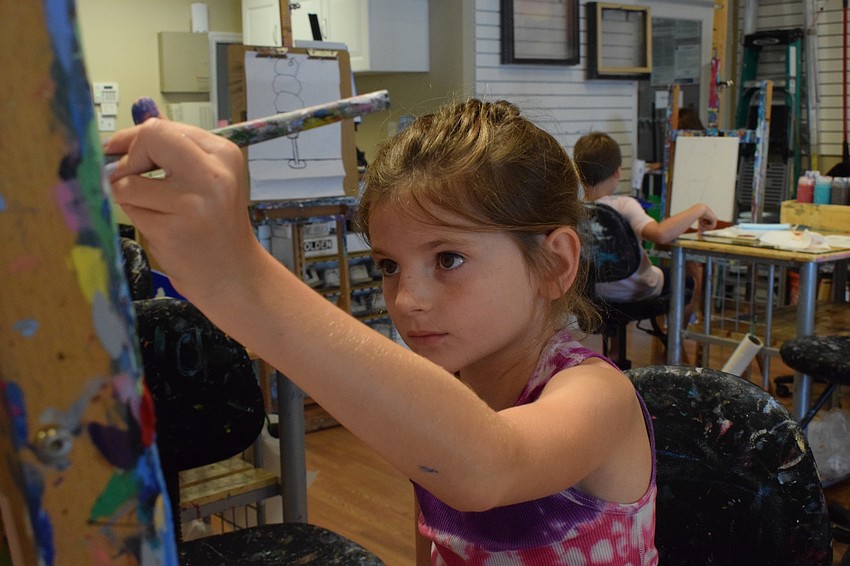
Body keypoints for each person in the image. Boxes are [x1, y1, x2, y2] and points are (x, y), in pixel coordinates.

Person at [106, 99, 658, 565]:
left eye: (448, 258)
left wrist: (243, 277)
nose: (408, 299)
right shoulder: (445, 398)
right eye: (388, 266)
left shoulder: (597, 396)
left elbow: (488, 465)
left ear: (556, 263)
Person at [573, 131, 717, 303]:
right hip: (636, 288)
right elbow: (661, 234)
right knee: (690, 280)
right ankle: (679, 327)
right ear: (618, 172)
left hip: (589, 291)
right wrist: (699, 208)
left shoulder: (572, 210)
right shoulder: (624, 205)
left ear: (578, 172)